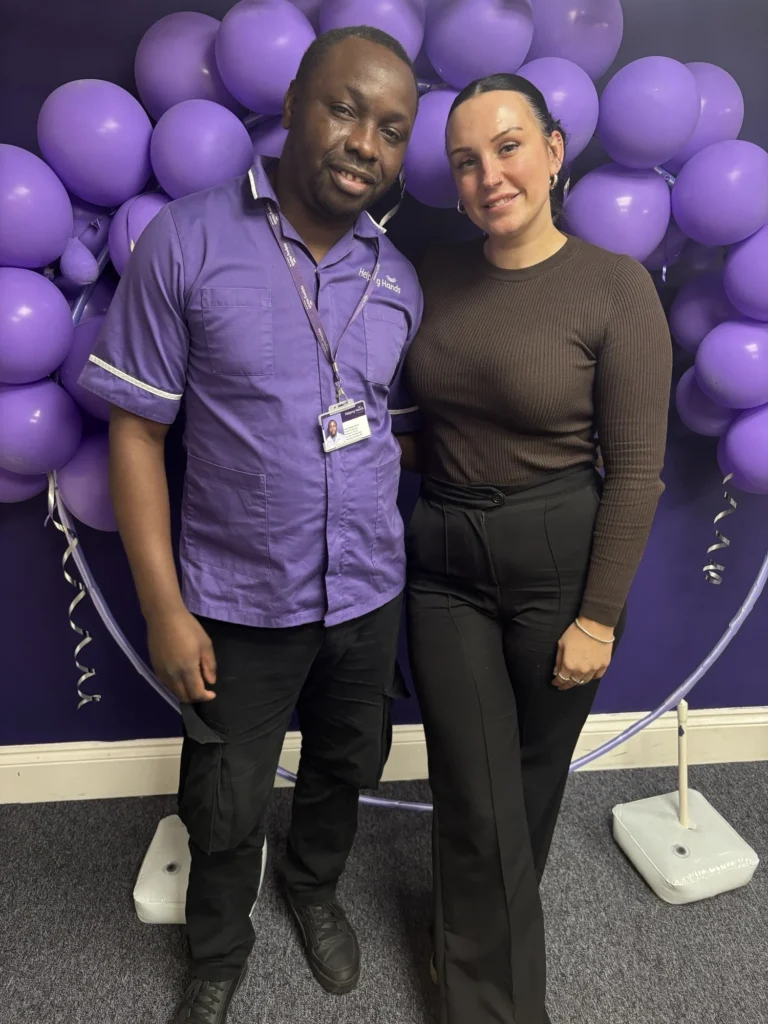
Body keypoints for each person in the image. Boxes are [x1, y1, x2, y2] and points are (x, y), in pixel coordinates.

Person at [79, 27, 421, 1024]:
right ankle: (219, 946)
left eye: (392, 129)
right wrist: (163, 610)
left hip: (367, 592)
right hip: (235, 600)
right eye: (346, 108)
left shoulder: (397, 277)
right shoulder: (186, 238)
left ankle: (313, 891)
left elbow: (388, 438)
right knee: (223, 801)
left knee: (345, 764)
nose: (365, 141)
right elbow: (136, 435)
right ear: (293, 106)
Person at [401, 74, 672, 1024]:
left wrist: (597, 618)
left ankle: (472, 943)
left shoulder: (614, 286)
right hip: (441, 556)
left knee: (527, 781)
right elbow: (414, 414)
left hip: (561, 556)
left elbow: (636, 470)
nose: (489, 176)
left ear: (555, 152)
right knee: (472, 783)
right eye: (467, 162)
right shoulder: (430, 273)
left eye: (508, 148)